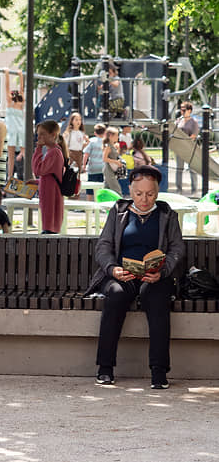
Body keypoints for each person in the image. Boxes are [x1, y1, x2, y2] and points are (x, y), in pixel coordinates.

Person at [87, 165, 185, 389]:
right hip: (123, 274)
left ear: (157, 192)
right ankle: (105, 368)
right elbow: (103, 246)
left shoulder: (166, 214)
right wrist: (113, 269)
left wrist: (162, 271)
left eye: (150, 194)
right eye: (139, 193)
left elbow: (177, 248)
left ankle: (159, 371)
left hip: (155, 276)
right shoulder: (119, 211)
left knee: (157, 298)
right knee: (115, 295)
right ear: (130, 190)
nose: (144, 199)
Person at [31, 120, 66, 234]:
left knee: (49, 228)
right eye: (38, 134)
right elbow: (49, 174)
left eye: (42, 134)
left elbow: (38, 169)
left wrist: (38, 149)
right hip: (50, 192)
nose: (39, 137)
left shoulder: (54, 152)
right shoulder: (54, 151)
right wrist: (37, 182)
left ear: (53, 135)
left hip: (50, 196)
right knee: (50, 225)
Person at [4, 69, 25, 181]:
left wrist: (6, 74)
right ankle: (32, 175)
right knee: (24, 154)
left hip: (12, 130)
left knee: (10, 157)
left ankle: (10, 177)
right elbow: (22, 89)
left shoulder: (9, 102)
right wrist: (21, 76)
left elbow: (6, 87)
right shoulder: (21, 103)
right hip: (20, 129)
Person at [175, 101, 199, 195]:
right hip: (179, 149)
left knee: (192, 169)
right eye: (181, 109)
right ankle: (179, 190)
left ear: (189, 110)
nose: (182, 111)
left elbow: (194, 135)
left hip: (190, 149)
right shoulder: (178, 121)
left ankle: (194, 190)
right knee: (179, 169)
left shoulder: (194, 122)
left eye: (184, 110)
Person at [82, 123, 106, 200]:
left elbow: (86, 154)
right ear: (104, 133)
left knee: (90, 186)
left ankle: (89, 201)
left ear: (95, 133)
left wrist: (84, 165)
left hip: (93, 167)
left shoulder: (92, 141)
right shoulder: (105, 142)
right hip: (102, 167)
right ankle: (100, 203)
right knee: (100, 186)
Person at [102, 126, 124, 194]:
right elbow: (104, 158)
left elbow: (115, 156)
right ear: (111, 136)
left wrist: (118, 149)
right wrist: (116, 162)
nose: (118, 137)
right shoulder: (108, 146)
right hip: (108, 170)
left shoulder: (113, 146)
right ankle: (120, 202)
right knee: (116, 189)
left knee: (107, 188)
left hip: (111, 170)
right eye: (117, 135)